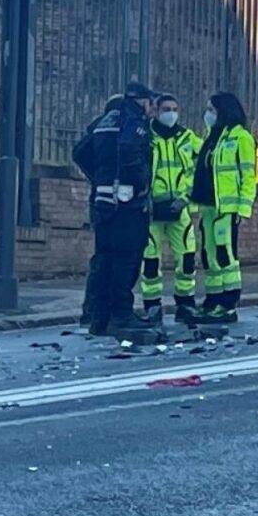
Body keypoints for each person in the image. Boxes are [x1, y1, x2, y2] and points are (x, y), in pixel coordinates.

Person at [73, 81, 157, 338]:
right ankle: (121, 315)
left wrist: (100, 177)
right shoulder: (134, 121)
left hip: (103, 202)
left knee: (105, 259)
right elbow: (130, 148)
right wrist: (139, 181)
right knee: (126, 260)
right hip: (127, 204)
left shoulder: (107, 120)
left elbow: (81, 152)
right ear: (143, 102)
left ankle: (99, 318)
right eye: (151, 104)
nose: (153, 110)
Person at [189, 89, 257, 325]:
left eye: (211, 110)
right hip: (209, 207)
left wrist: (243, 209)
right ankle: (213, 300)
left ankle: (229, 304)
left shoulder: (241, 138)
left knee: (225, 254)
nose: (207, 114)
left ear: (223, 111)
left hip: (227, 208)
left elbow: (248, 176)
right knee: (208, 255)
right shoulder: (212, 137)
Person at [141, 91, 202, 325]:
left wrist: (187, 197)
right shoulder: (146, 137)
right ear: (155, 111)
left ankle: (185, 304)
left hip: (180, 208)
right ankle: (152, 306)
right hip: (153, 209)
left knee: (187, 258)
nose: (171, 114)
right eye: (166, 109)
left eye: (174, 110)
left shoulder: (187, 138)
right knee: (150, 261)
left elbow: (203, 165)